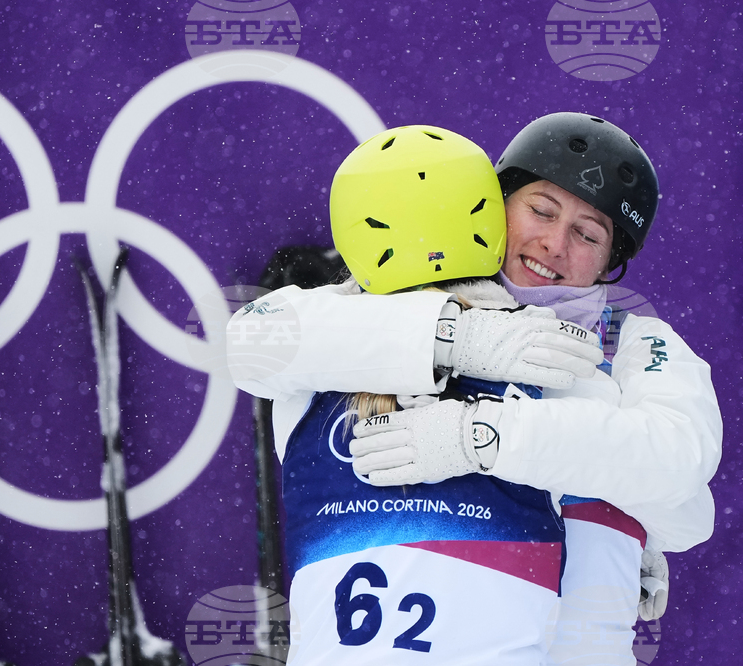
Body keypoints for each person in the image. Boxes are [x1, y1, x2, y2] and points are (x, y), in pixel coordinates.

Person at [226, 114, 721, 664]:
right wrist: (458, 337)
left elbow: (680, 463)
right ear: (493, 204)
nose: (555, 244)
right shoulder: (373, 308)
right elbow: (253, 341)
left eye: (588, 234)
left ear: (611, 261)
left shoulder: (625, 345)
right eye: (541, 210)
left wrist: (478, 435)